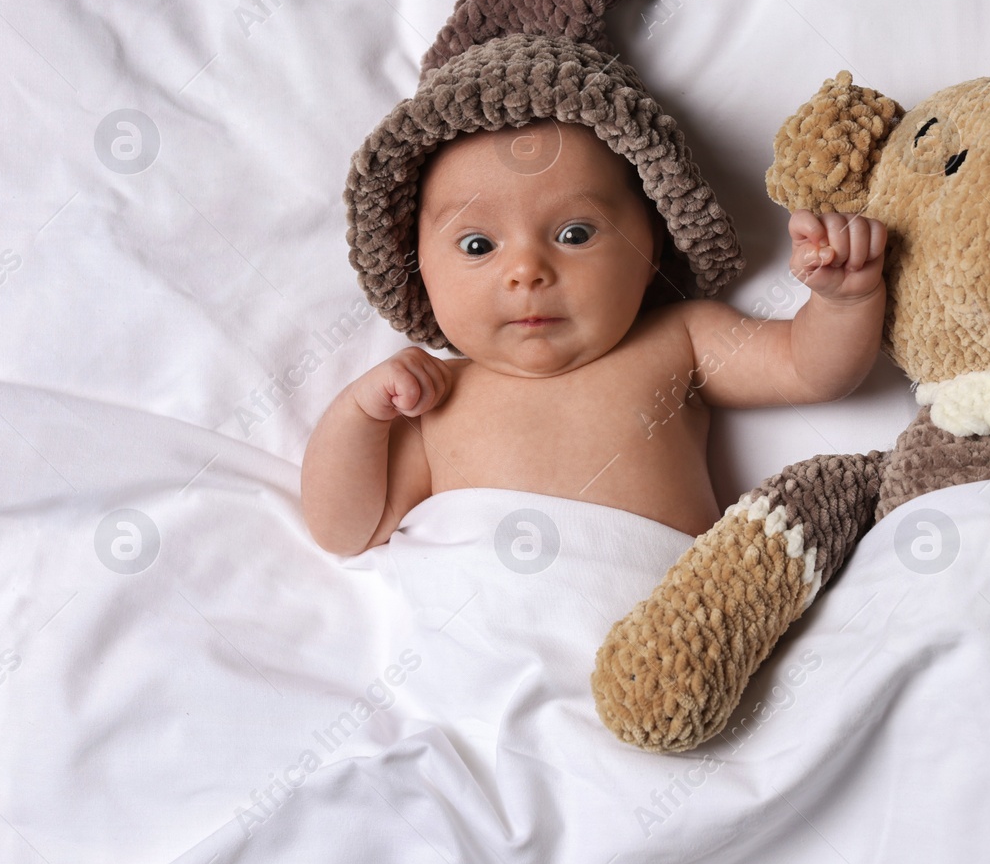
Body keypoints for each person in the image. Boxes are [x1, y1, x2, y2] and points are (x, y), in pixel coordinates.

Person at [302, 117, 886, 554]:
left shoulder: (678, 338)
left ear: (650, 245)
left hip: (661, 636)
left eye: (576, 233)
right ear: (420, 268)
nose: (527, 270)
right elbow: (347, 530)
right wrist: (358, 415)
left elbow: (812, 370)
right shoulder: (434, 398)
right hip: (483, 633)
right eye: (478, 245)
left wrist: (844, 298)